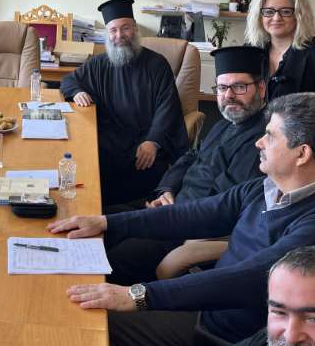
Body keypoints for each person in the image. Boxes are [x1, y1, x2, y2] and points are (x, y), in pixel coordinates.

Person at [47, 92, 315, 346]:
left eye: (271, 136)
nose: (259, 142)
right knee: (81, 324)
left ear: (302, 154)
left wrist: (139, 294)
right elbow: (191, 215)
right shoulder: (267, 187)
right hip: (207, 315)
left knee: (91, 337)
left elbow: (251, 277)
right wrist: (105, 222)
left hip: (242, 343)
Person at [107, 45, 268, 285]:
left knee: (112, 260)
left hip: (189, 229)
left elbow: (225, 203)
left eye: (239, 87)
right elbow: (191, 156)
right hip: (171, 209)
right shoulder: (225, 123)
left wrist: (170, 213)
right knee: (101, 221)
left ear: (261, 88)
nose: (229, 95)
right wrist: (166, 190)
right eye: (222, 88)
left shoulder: (262, 139)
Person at [60, 0, 189, 206]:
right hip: (109, 144)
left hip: (143, 145)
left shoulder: (157, 64)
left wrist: (153, 141)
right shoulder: (99, 63)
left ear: (135, 29)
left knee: (142, 182)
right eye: (113, 30)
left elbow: (168, 107)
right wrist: (76, 92)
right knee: (84, 164)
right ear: (107, 34)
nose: (119, 36)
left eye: (125, 28)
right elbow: (69, 80)